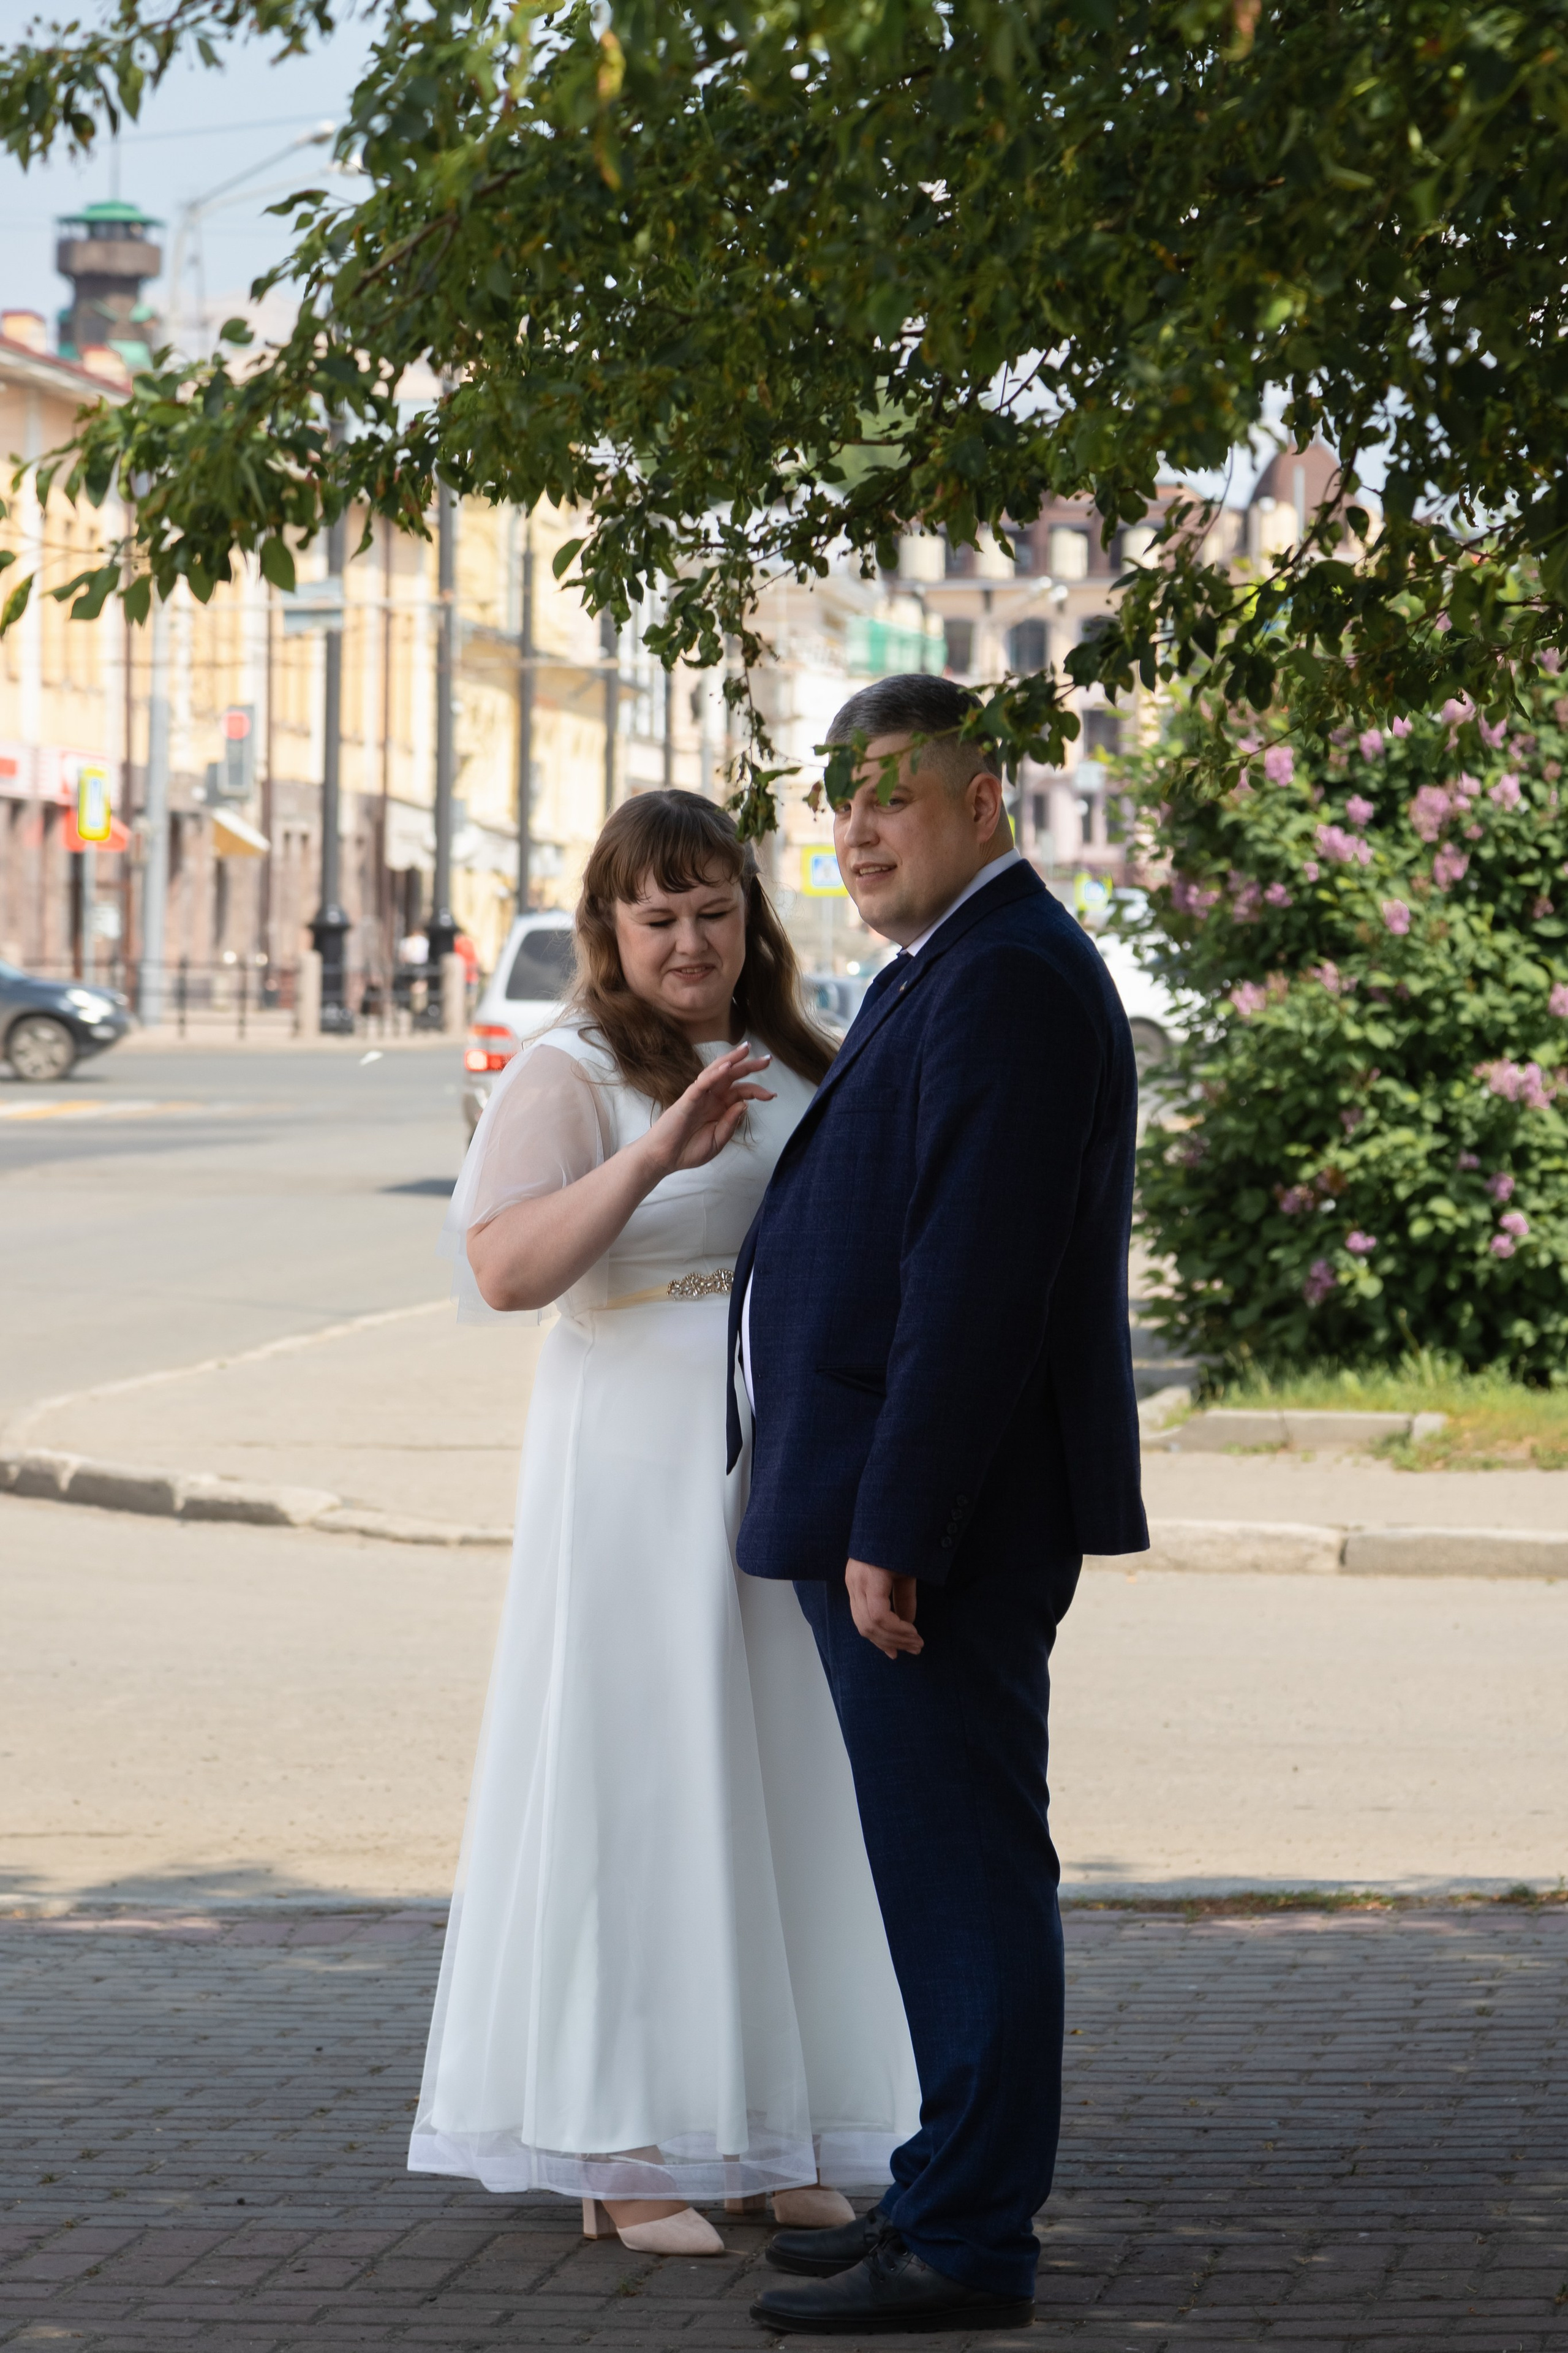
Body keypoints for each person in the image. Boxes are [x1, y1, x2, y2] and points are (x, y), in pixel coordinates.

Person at [409, 790, 919, 2257]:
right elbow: (504, 1268)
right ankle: (618, 2141)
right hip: (631, 1460)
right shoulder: (572, 1067)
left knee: (767, 1782)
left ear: (750, 919)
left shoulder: (796, 1053)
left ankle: (769, 2131)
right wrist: (652, 1158)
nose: (690, 942)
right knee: (640, 1779)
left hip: (778, 1460)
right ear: (610, 929)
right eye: (658, 917)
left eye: (713, 911)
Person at [732, 676, 1149, 2333]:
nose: (855, 827)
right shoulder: (955, 968)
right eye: (841, 799)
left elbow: (974, 1289)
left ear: (988, 800)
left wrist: (896, 1524)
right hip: (897, 1503)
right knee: (935, 1864)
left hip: (935, 1527)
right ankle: (943, 2175)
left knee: (967, 1868)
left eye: (892, 794)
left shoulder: (1008, 983)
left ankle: (972, 2240)